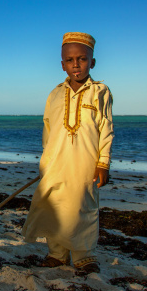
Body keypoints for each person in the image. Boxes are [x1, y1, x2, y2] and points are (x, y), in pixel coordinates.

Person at [22, 32, 114, 275]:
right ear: (62, 64)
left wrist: (103, 163)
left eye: (82, 59)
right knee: (55, 206)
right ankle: (57, 254)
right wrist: (47, 161)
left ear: (92, 62)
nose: (76, 64)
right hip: (55, 162)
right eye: (70, 60)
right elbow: (48, 129)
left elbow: (106, 128)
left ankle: (84, 257)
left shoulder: (100, 92)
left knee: (83, 207)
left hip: (85, 162)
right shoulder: (54, 94)